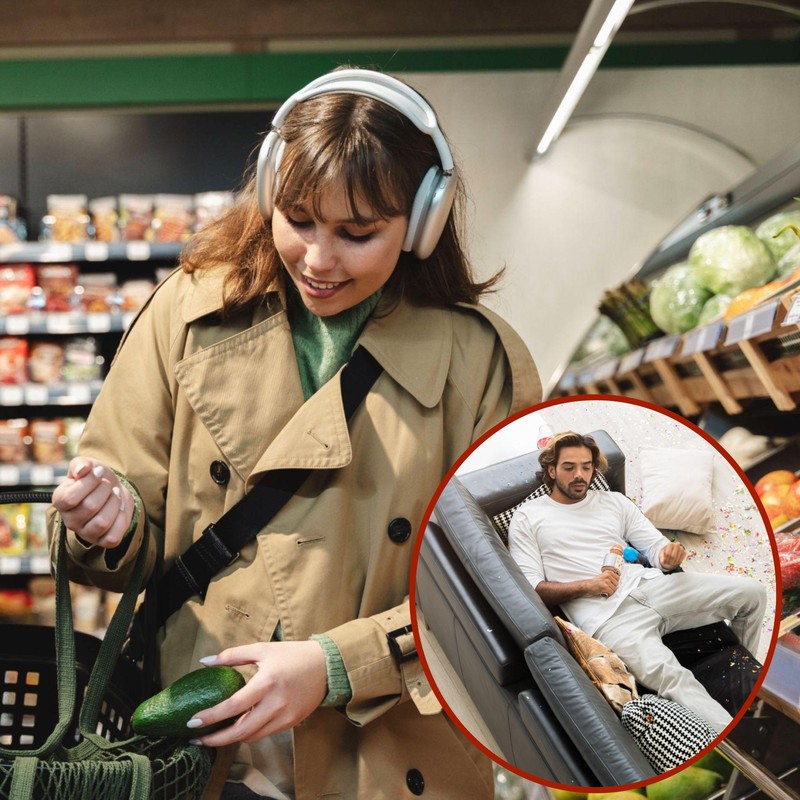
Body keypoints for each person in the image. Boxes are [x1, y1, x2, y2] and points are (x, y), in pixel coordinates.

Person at [49, 67, 541, 800]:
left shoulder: (482, 364)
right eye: (298, 219)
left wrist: (340, 664)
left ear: (424, 220)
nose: (318, 258)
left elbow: (510, 585)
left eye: (357, 233)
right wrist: (104, 524)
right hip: (199, 739)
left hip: (389, 748)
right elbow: (120, 520)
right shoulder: (185, 316)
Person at [507, 431, 767, 735]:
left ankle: (751, 693)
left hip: (653, 587)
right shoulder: (528, 517)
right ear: (551, 470)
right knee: (672, 679)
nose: (579, 475)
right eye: (569, 467)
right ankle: (740, 742)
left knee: (754, 594)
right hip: (609, 620)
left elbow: (656, 550)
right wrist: (589, 586)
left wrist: (670, 556)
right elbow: (534, 590)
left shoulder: (614, 503)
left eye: (586, 467)